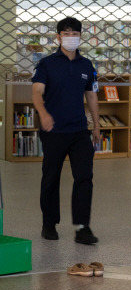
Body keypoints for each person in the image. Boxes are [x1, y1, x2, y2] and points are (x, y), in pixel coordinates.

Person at [32, 16, 100, 244]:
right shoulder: (46, 64)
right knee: (51, 178)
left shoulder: (87, 66)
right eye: (67, 33)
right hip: (54, 131)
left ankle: (83, 228)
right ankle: (49, 225)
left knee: (84, 177)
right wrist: (43, 114)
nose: (71, 37)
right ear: (58, 37)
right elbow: (36, 92)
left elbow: (91, 95)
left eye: (75, 33)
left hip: (79, 130)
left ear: (81, 36)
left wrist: (97, 126)